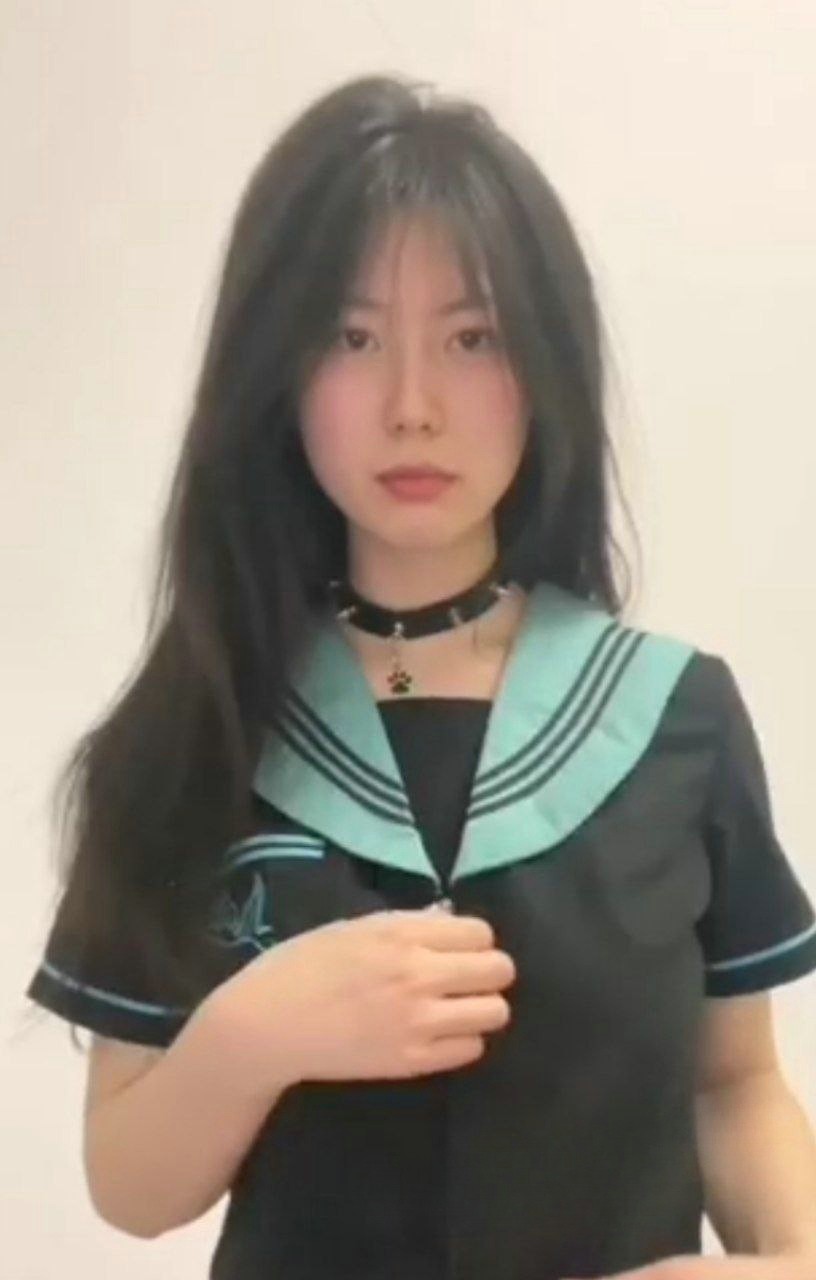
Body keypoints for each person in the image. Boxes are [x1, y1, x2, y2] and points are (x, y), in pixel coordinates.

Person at [23, 73, 816, 1280]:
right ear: (277, 371)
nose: (412, 407)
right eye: (352, 338)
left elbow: (735, 1077)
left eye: (472, 337)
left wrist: (797, 1254)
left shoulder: (669, 714)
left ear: (546, 360)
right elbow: (129, 1182)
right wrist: (258, 1029)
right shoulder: (201, 726)